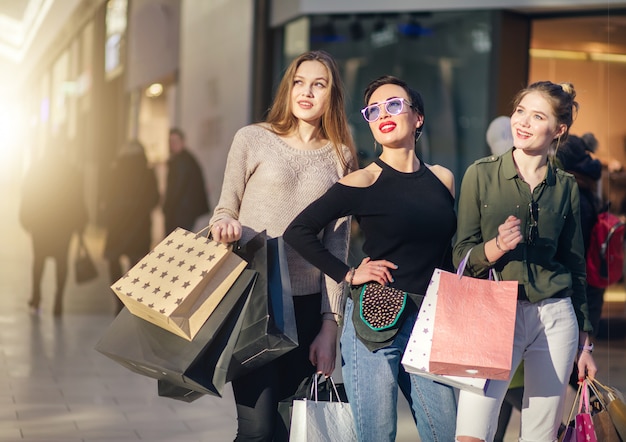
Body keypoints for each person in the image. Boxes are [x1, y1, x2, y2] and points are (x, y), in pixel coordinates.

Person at [284, 75, 458, 442]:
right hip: (375, 321)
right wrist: (348, 274)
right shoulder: (363, 180)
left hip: (429, 320)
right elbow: (298, 231)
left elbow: (448, 252)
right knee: (377, 436)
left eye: (394, 104)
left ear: (418, 117)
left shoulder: (443, 179)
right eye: (373, 110)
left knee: (445, 434)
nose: (383, 114)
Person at [209, 50, 357, 441]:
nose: (306, 92)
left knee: (290, 431)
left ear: (332, 95)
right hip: (254, 301)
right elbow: (226, 207)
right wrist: (224, 224)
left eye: (318, 84)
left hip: (307, 308)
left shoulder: (342, 157)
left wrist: (331, 325)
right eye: (299, 82)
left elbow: (337, 249)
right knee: (257, 429)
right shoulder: (253, 138)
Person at [453, 81, 598, 442]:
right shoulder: (480, 174)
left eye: (537, 116)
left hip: (555, 318)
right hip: (492, 313)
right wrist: (497, 247)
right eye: (520, 111)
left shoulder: (565, 186)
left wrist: (585, 343)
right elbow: (460, 256)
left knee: (539, 436)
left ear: (558, 130)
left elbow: (574, 265)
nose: (523, 122)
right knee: (472, 433)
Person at [19, 148, 88, 316]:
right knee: (61, 261)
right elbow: (78, 198)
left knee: (39, 260)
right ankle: (59, 300)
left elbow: (27, 194)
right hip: (63, 225)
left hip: (41, 224)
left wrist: (25, 219)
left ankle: (36, 296)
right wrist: (81, 223)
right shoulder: (71, 171)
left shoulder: (36, 170)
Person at [101, 140, 160, 313]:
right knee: (136, 263)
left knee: (114, 259)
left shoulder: (115, 170)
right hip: (139, 226)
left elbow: (106, 197)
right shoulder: (147, 172)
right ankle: (130, 299)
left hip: (117, 224)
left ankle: (118, 301)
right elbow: (155, 198)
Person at [163, 128, 210, 234]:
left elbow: (177, 188)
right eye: (171, 141)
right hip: (183, 210)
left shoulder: (183, 161)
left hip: (182, 211)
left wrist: (167, 206)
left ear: (182, 142)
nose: (172, 144)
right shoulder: (182, 159)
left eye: (175, 141)